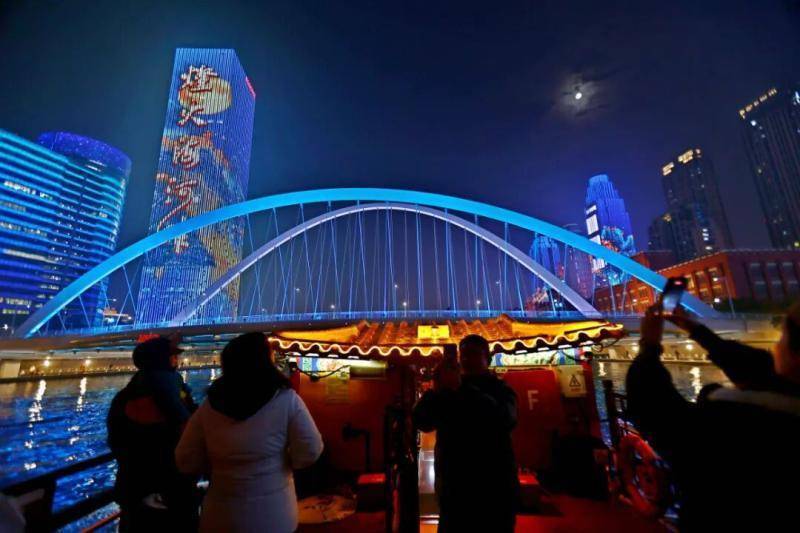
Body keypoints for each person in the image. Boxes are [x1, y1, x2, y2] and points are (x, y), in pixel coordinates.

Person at [626, 301, 800, 531]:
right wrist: (698, 331)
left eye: (782, 338)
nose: (776, 346)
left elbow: (655, 410)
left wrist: (649, 345)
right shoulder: (786, 401)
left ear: (795, 356)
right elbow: (759, 368)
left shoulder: (735, 420)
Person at [175, 332, 323, 533]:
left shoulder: (209, 406)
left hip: (219, 517)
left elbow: (185, 459)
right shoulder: (286, 400)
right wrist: (285, 463)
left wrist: (216, 464)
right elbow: (311, 449)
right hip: (274, 517)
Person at [413, 335, 519, 532]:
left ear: (487, 358)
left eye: (473, 354)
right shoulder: (449, 391)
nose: (467, 360)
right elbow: (421, 421)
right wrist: (436, 388)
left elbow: (504, 419)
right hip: (454, 492)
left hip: (494, 491)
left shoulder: (500, 390)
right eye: (463, 355)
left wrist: (459, 388)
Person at [107, 335, 199, 532]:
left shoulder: (127, 394)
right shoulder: (166, 391)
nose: (177, 360)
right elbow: (187, 428)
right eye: (172, 356)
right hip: (166, 490)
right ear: (160, 360)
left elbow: (116, 441)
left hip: (136, 489)